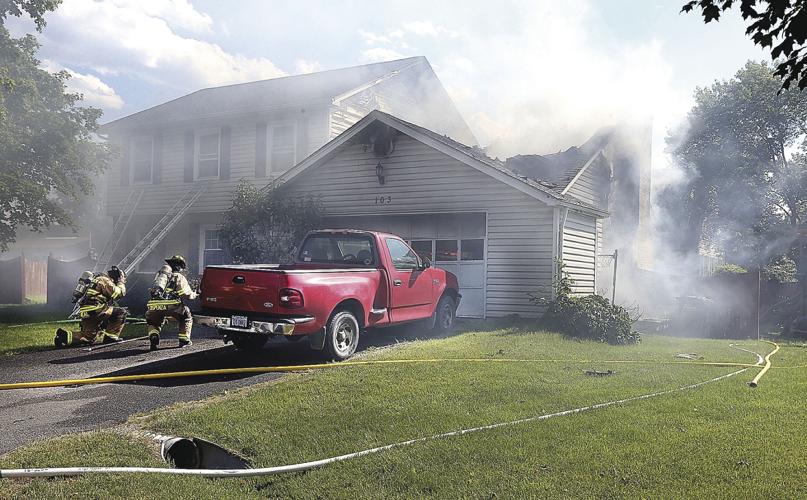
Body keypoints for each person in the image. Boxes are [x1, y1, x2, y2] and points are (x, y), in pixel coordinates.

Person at [54, 267, 127, 348]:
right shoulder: (104, 280)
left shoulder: (94, 280)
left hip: (86, 311)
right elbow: (118, 293)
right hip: (97, 309)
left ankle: (65, 336)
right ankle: (110, 338)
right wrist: (121, 283)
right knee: (120, 312)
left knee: (88, 337)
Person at [145, 255, 198, 350]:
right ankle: (184, 340)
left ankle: (154, 336)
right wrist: (194, 294)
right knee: (186, 316)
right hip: (172, 305)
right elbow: (185, 294)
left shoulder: (160, 276)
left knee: (153, 322)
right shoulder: (179, 276)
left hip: (154, 305)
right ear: (179, 267)